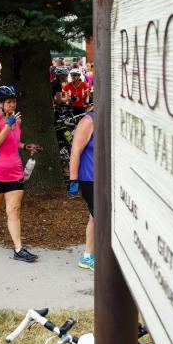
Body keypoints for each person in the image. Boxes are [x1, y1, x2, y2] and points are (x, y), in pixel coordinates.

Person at [0, 86, 37, 263]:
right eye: (9, 102)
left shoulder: (15, 120)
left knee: (14, 210)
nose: (13, 105)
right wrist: (7, 125)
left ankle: (18, 249)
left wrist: (26, 146)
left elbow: (12, 142)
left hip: (15, 172)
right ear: (1, 104)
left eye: (14, 101)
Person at [68, 111, 95, 270]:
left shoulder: (110, 118)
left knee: (94, 217)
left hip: (105, 179)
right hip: (89, 178)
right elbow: (75, 150)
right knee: (102, 219)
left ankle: (87, 256)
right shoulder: (88, 121)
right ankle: (101, 257)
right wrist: (73, 180)